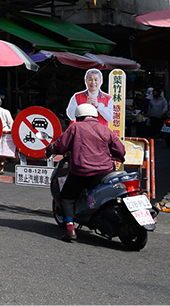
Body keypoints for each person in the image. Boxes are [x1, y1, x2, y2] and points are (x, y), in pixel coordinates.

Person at [45, 103, 126, 242]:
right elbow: (120, 151)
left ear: (78, 117)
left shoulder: (75, 127)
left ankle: (70, 228)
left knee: (67, 197)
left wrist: (50, 149)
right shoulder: (105, 129)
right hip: (105, 172)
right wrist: (115, 157)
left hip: (81, 172)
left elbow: (60, 145)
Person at [0, 95, 15, 173]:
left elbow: (11, 123)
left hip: (4, 134)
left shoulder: (5, 112)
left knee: (2, 152)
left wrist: (13, 133)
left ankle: (1, 167)